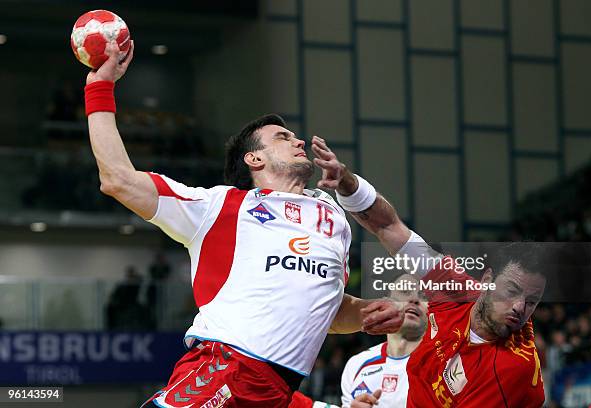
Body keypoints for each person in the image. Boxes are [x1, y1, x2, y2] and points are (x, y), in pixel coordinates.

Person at [83, 41, 402, 408]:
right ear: (253, 159)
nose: (298, 140)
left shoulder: (332, 218)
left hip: (280, 392)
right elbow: (117, 179)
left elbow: (325, 309)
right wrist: (99, 88)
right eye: (282, 138)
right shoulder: (219, 206)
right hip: (225, 369)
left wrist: (366, 314)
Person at [311, 138, 557, 407]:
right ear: (486, 281)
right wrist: (347, 183)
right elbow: (388, 226)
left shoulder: (512, 370)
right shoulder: (454, 288)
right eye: (511, 291)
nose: (520, 307)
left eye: (532, 302)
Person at [289, 274, 427, 408]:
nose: (414, 299)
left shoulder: (444, 363)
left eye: (423, 296)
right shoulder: (357, 364)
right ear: (386, 300)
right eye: (405, 290)